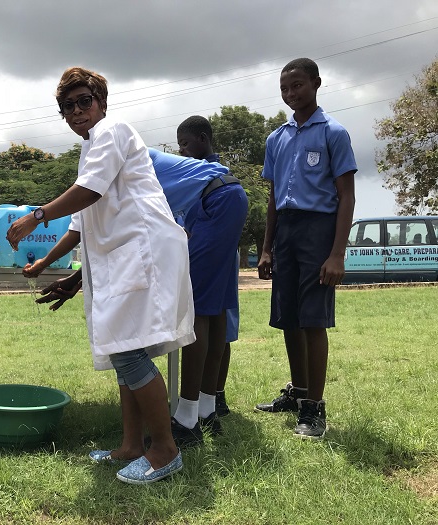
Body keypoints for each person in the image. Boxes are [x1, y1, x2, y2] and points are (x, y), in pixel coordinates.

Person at [7, 67, 194, 484]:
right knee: (125, 350)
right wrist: (44, 264)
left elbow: (88, 192)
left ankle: (164, 450)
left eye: (83, 101)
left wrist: (35, 216)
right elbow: (81, 220)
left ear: (102, 101)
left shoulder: (113, 129)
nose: (76, 111)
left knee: (128, 352)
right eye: (66, 107)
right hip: (123, 258)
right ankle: (130, 446)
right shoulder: (91, 147)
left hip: (142, 252)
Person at [256, 58, 357, 439]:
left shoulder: (334, 133)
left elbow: (346, 197)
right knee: (288, 318)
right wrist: (266, 249)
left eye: (297, 85)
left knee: (313, 319)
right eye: (284, 88)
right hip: (286, 232)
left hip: (319, 230)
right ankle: (298, 393)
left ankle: (315, 409)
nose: (290, 93)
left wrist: (337, 253)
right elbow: (272, 198)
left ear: (316, 84)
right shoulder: (276, 138)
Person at [148, 147, 248, 446]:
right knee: (215, 308)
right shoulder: (154, 164)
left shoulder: (129, 160)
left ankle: (186, 419)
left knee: (199, 309)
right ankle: (206, 410)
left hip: (216, 201)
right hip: (228, 197)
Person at [176, 115, 243, 420]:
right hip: (226, 219)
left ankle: (189, 413)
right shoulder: (207, 172)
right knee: (216, 314)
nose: (182, 151)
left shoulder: (203, 174)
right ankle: (208, 406)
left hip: (215, 219)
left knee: (201, 312)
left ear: (202, 138)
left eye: (186, 144)